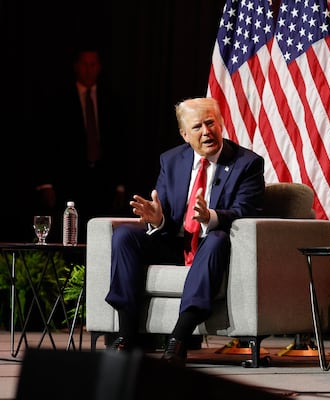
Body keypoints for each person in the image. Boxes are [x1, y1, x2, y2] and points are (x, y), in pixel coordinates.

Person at [105, 97, 265, 366]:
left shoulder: (246, 164)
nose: (206, 132)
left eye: (211, 122)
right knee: (123, 236)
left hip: (214, 248)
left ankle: (178, 338)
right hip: (175, 244)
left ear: (221, 123)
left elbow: (246, 212)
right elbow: (165, 212)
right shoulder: (171, 160)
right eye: (197, 126)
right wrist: (158, 220)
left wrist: (210, 217)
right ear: (184, 134)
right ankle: (126, 335)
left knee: (215, 239)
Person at [35, 48, 128, 242]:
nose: (89, 69)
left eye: (93, 64)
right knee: (69, 233)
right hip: (68, 177)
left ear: (99, 68)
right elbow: (46, 141)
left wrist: (120, 185)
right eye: (85, 64)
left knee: (100, 235)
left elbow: (120, 143)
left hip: (103, 180)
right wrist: (45, 183)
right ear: (77, 67)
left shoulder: (110, 99)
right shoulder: (59, 100)